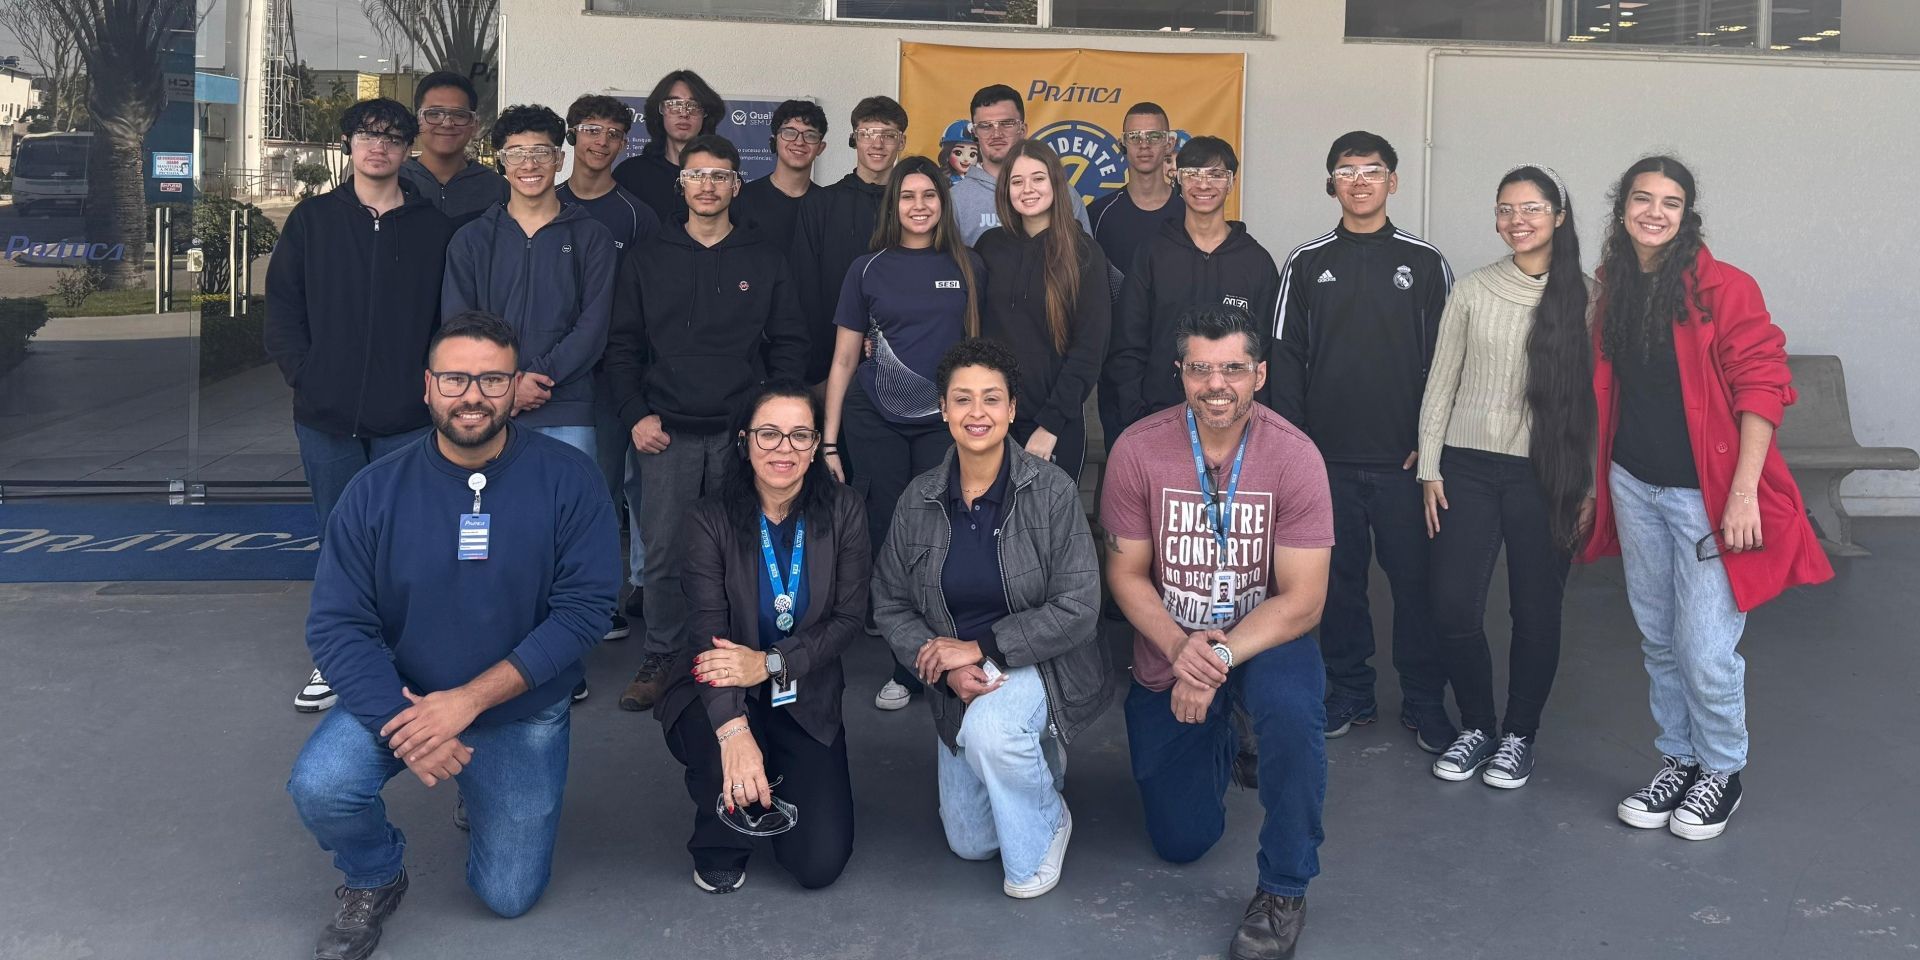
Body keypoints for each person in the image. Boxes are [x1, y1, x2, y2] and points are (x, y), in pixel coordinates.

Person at [286, 311, 619, 958]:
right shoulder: (374, 491)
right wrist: (403, 720)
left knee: (508, 896)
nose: (473, 395)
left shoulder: (569, 479)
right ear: (428, 387)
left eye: (493, 380)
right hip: (403, 697)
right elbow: (336, 623)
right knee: (320, 785)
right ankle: (374, 873)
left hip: (518, 707)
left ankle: (483, 787)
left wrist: (465, 704)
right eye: (456, 378)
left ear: (517, 386)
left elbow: (584, 611)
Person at [1583, 156, 1832, 840]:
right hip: (1634, 483)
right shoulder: (1614, 285)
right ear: (1623, 207)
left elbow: (1762, 387)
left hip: (1706, 495)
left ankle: (1722, 769)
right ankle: (1679, 759)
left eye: (1670, 201)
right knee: (1660, 639)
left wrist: (1743, 494)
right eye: (1642, 198)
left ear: (1686, 214)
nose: (1654, 211)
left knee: (1705, 647)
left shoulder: (1727, 288)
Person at [1102, 305, 1333, 960]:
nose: (1217, 384)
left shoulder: (1294, 457)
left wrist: (1219, 656)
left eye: (1233, 367)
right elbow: (1125, 575)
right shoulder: (1137, 449)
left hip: (1262, 636)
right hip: (1172, 642)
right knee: (1181, 842)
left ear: (1259, 373)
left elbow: (1306, 599)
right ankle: (1226, 735)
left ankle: (1285, 887)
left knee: (1292, 712)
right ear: (1180, 373)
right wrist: (1181, 649)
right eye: (1200, 368)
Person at [873, 338, 1112, 899]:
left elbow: (1078, 606)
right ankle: (1031, 759)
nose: (976, 413)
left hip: (1039, 662)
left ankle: (1048, 820)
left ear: (1010, 409)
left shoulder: (1051, 492)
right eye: (962, 399)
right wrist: (942, 664)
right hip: (959, 674)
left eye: (991, 399)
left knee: (992, 734)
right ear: (943, 409)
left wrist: (979, 648)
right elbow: (889, 602)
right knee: (970, 842)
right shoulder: (918, 499)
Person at [605, 134, 809, 713]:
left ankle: (735, 652)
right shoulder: (647, 257)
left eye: (720, 175)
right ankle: (664, 655)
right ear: (682, 185)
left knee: (742, 548)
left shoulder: (764, 258)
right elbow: (621, 347)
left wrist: (766, 420)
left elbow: (789, 343)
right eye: (697, 176)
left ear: (736, 185)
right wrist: (635, 416)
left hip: (739, 435)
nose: (708, 186)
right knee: (666, 550)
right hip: (664, 431)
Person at [1268, 130, 1455, 748]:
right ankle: (1350, 690)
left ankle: (1425, 699)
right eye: (1346, 171)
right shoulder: (1307, 261)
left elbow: (1448, 363)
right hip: (1327, 464)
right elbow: (1284, 358)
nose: (1359, 181)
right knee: (1338, 584)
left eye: (1372, 170)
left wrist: (1427, 445)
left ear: (1392, 181)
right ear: (1332, 183)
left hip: (1404, 463)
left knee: (1416, 585)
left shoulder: (1426, 262)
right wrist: (1297, 450)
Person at [267, 97, 453, 714]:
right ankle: (339, 656)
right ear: (349, 144)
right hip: (326, 416)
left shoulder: (433, 227)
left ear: (409, 149)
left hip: (405, 418)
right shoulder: (313, 219)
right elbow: (284, 310)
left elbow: (445, 321)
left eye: (395, 138)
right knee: (340, 536)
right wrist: (306, 375)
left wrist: (432, 390)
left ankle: (405, 653)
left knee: (406, 537)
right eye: (369, 135)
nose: (380, 147)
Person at [1416, 164, 1597, 788]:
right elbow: (1441, 381)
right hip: (1466, 465)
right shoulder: (1470, 289)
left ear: (1559, 216)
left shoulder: (1589, 297)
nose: (1516, 221)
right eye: (1505, 210)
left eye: (1531, 209)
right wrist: (1430, 466)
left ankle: (1518, 734)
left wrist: (1590, 484)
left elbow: (1601, 401)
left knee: (1537, 610)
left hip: (1549, 472)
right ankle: (1476, 724)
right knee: (1450, 604)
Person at [655, 381, 864, 894]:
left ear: (817, 446)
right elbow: (709, 639)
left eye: (799, 436)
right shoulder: (709, 518)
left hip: (805, 694)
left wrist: (770, 663)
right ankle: (720, 838)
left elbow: (848, 620)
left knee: (819, 864)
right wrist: (734, 732)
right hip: (720, 689)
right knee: (718, 745)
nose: (783, 449)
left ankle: (767, 781)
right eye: (769, 434)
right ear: (745, 439)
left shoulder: (844, 510)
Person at [821, 154, 982, 712]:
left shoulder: (966, 265)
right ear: (895, 205)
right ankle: (906, 664)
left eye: (929, 196)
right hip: (875, 421)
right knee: (892, 536)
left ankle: (949, 654)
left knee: (944, 537)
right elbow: (843, 360)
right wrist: (829, 440)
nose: (919, 206)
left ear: (944, 203)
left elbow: (980, 355)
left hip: (944, 424)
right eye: (908, 196)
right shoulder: (867, 268)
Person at [441, 106, 616, 465]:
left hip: (566, 409)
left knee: (566, 515)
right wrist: (505, 384)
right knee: (491, 515)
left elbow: (593, 326)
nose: (529, 164)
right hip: (486, 406)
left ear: (559, 159)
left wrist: (539, 376)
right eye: (516, 154)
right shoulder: (471, 239)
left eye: (540, 153)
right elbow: (460, 324)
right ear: (501, 162)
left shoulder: (591, 237)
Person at [560, 93, 662, 643]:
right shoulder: (543, 202)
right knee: (590, 492)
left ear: (626, 144)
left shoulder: (635, 215)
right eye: (592, 130)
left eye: (614, 134)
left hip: (628, 375)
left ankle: (641, 586)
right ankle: (595, 599)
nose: (601, 143)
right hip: (566, 381)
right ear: (573, 134)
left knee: (641, 489)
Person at [1104, 136, 1279, 433]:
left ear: (1231, 183)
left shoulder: (1256, 262)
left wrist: (1256, 425)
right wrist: (1138, 416)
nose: (1204, 184)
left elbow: (1268, 353)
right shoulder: (1152, 254)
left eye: (1215, 175)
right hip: (1159, 420)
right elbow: (1127, 345)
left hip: (1234, 424)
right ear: (1178, 180)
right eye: (1193, 174)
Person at [974, 139, 1111, 481]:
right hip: (991, 420)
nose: (1027, 189)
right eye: (1017, 181)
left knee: (1046, 533)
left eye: (1037, 178)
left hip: (1054, 426)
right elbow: (970, 331)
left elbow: (1089, 350)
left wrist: (1050, 426)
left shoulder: (1084, 253)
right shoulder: (989, 247)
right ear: (1006, 189)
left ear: (1055, 183)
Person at [790, 95, 909, 384]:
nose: (877, 144)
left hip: (903, 354)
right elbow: (804, 289)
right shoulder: (820, 204)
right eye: (867, 134)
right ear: (854, 139)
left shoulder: (915, 206)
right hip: (829, 357)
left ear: (901, 142)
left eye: (888, 135)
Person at [949, 84, 1090, 246]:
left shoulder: (1062, 192)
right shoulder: (955, 200)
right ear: (974, 134)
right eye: (985, 126)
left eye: (1007, 123)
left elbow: (1086, 260)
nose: (996, 134)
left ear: (1022, 130)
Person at [1086, 102, 1185, 283]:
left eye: (1154, 136)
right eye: (1134, 136)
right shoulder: (1096, 215)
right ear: (1122, 144)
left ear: (1169, 144)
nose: (1144, 145)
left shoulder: (1189, 212)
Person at [400, 71, 508, 229]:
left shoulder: (498, 189)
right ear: (417, 121)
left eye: (459, 115)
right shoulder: (394, 181)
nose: (447, 123)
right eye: (434, 114)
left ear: (474, 125)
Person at [613, 69, 724, 222]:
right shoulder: (630, 174)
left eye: (693, 105)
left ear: (706, 114)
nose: (684, 113)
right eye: (674, 104)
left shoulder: (723, 176)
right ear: (660, 111)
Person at [734, 99, 827, 255]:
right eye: (789, 133)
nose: (799, 142)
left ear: (820, 148)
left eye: (810, 135)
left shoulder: (827, 204)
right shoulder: (744, 198)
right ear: (774, 141)